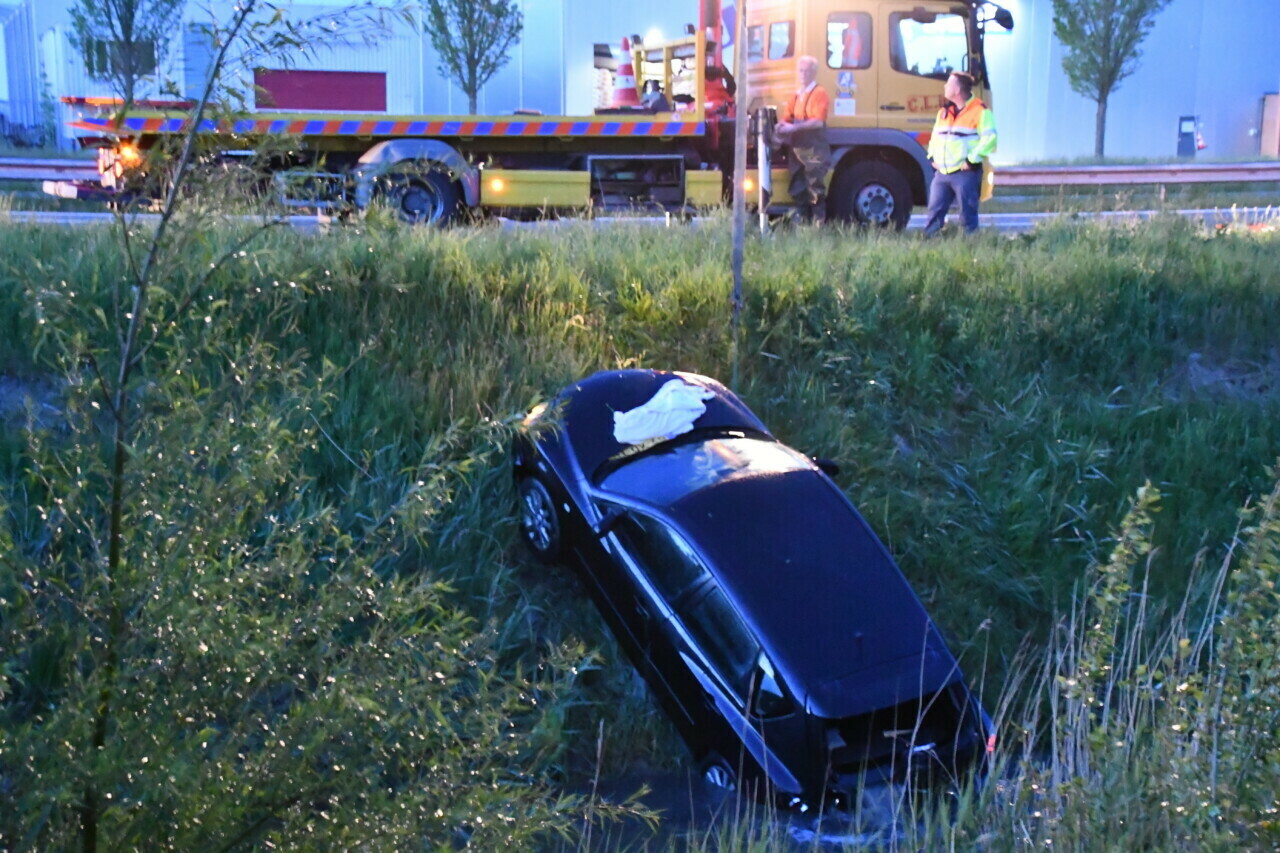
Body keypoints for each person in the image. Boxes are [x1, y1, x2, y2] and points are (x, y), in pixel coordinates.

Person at [924, 71, 996, 236]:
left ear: (957, 90)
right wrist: (931, 158)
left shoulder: (980, 111)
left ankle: (968, 249)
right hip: (942, 173)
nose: (945, 87)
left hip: (965, 173)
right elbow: (935, 138)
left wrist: (971, 160)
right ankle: (928, 246)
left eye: (949, 84)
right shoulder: (943, 112)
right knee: (934, 212)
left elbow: (990, 139)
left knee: (967, 215)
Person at [774, 55, 830, 224]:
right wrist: (780, 126)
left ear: (814, 73)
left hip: (814, 148)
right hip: (797, 149)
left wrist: (793, 128)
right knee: (798, 188)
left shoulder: (819, 93)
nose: (803, 74)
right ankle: (805, 225)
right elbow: (788, 117)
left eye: (807, 71)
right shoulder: (796, 95)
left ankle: (818, 226)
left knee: (815, 188)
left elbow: (818, 122)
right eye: (801, 70)